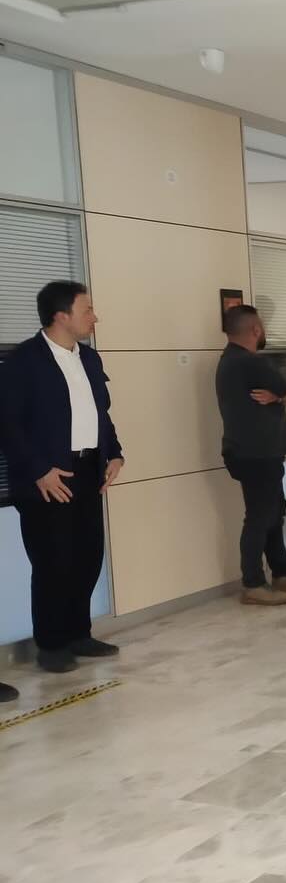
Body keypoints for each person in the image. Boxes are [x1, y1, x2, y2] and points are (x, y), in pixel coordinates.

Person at [0, 280, 124, 678]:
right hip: (46, 477)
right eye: (87, 310)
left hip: (87, 471)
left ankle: (78, 634)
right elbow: (8, 425)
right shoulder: (24, 361)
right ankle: (52, 645)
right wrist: (38, 470)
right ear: (61, 316)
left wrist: (115, 452)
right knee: (53, 561)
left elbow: (101, 414)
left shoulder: (89, 359)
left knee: (88, 556)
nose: (94, 317)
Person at [215, 305, 286, 606]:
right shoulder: (251, 362)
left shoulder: (228, 360)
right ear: (256, 330)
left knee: (273, 510)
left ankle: (282, 572)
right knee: (260, 516)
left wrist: (274, 396)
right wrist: (279, 395)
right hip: (257, 452)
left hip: (247, 450)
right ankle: (253, 583)